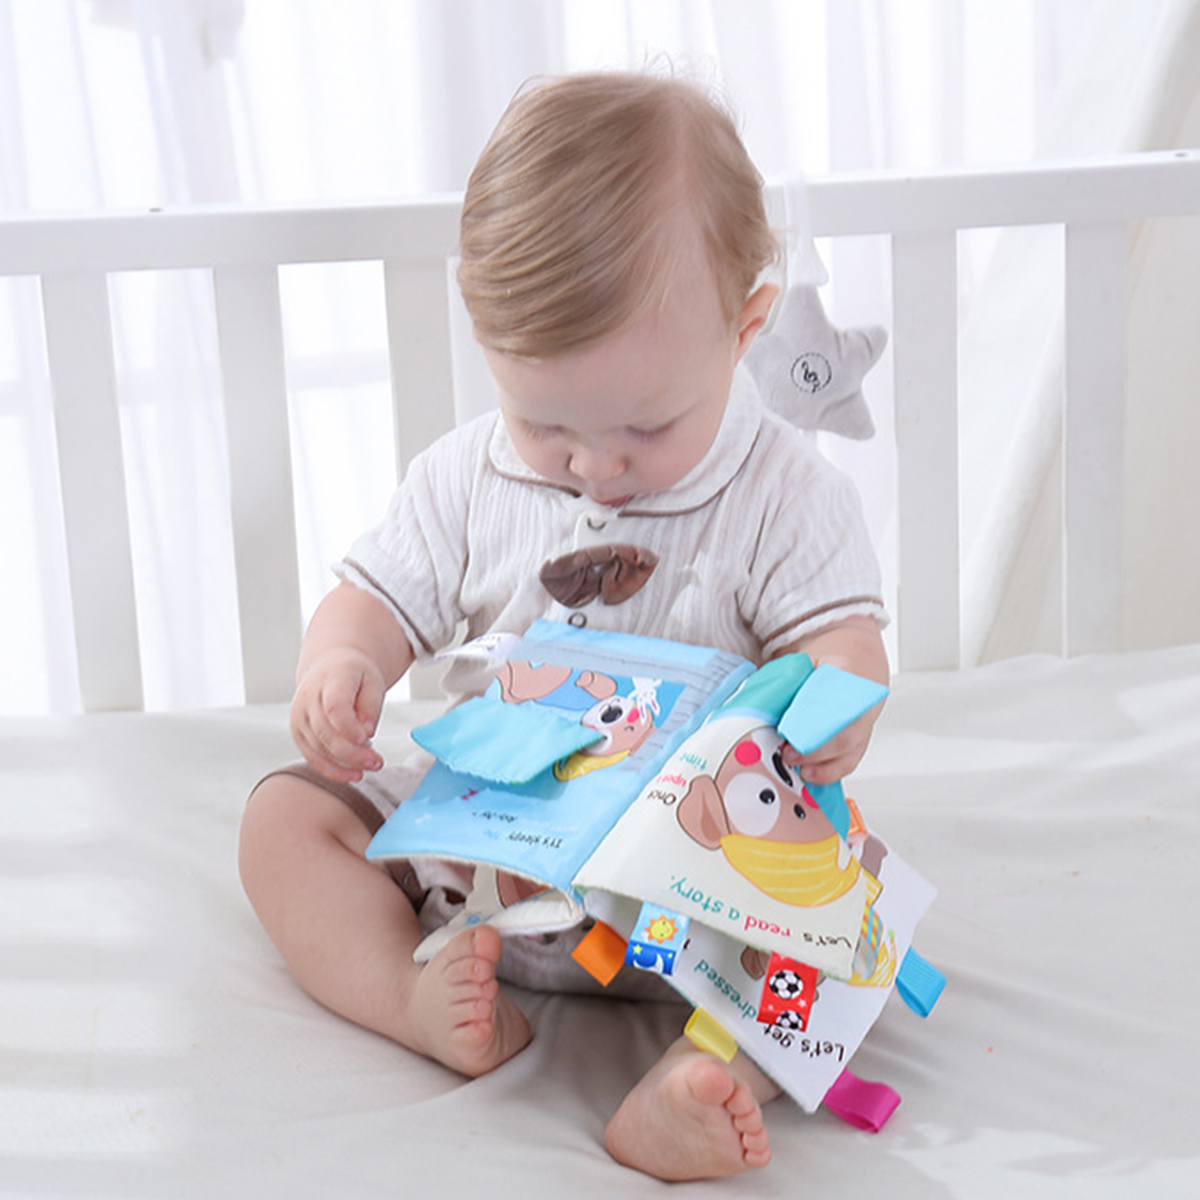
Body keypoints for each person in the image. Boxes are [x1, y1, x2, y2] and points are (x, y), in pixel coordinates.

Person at [239, 70, 889, 1182]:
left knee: (854, 925)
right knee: (281, 822)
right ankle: (412, 992)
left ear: (745, 328)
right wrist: (340, 661)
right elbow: (374, 597)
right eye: (545, 424)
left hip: (697, 878)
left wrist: (837, 705)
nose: (595, 467)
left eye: (646, 427)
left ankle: (697, 1076)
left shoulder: (786, 494)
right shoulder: (465, 476)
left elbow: (846, 643)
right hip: (482, 862)